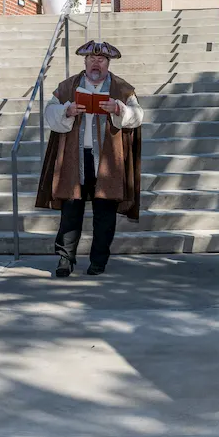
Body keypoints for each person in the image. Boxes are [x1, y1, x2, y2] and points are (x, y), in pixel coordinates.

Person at [37, 40, 145, 277]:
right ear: (85, 62)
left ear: (108, 63)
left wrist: (119, 110)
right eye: (92, 60)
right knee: (70, 210)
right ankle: (65, 259)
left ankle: (98, 261)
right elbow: (49, 112)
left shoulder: (122, 88)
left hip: (107, 160)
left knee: (104, 214)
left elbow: (138, 116)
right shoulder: (67, 87)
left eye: (101, 60)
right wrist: (67, 111)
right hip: (75, 158)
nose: (96, 64)